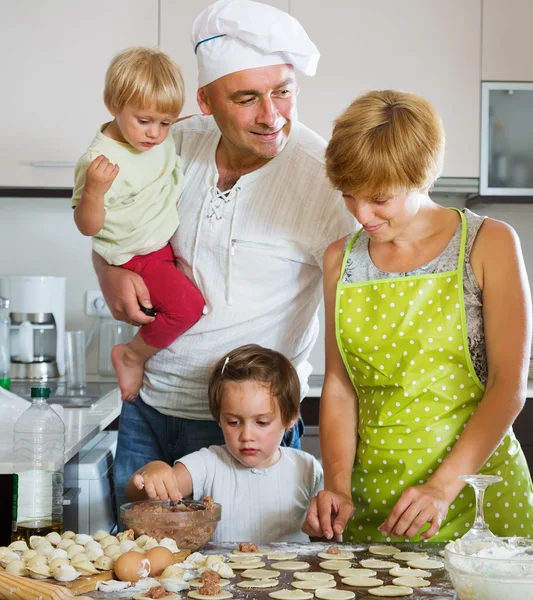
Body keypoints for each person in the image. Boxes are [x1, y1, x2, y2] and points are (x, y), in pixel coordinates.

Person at [94, 0, 354, 514]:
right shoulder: (171, 143)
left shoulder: (325, 180)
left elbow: (347, 335)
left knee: (253, 578)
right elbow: (108, 216)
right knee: (142, 578)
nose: (271, 115)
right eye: (247, 98)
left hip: (251, 432)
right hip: (147, 406)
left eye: (283, 91)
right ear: (206, 100)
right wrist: (107, 271)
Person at [303, 90, 533, 543]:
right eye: (349, 196)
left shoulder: (488, 243)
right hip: (377, 503)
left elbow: (509, 386)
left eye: (380, 200)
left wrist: (442, 488)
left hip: (477, 496)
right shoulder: (340, 260)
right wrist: (337, 486)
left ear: (421, 177)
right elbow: (340, 385)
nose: (362, 214)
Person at [72, 47, 205, 402]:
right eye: (144, 121)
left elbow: (166, 126)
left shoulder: (155, 136)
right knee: (188, 307)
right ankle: (131, 355)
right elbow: (87, 226)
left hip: (158, 246)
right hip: (134, 255)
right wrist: (94, 193)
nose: (155, 134)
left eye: (165, 122)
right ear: (112, 103)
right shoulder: (100, 161)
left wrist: (179, 120)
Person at [126, 344, 323, 542]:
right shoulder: (207, 464)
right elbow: (137, 496)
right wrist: (154, 470)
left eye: (261, 422)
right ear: (218, 419)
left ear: (290, 419)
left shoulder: (306, 468)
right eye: (233, 422)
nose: (247, 435)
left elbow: (326, 535)